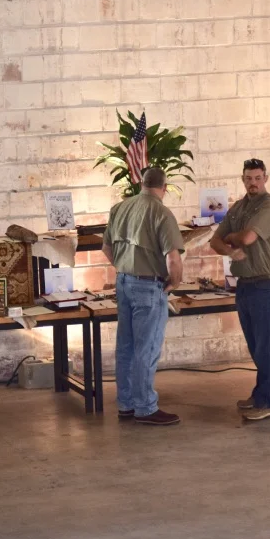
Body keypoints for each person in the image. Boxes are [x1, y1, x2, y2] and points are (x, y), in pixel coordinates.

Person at [101, 167, 185, 426]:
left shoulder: (120, 208)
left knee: (126, 346)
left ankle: (126, 404)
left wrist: (126, 269)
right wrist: (174, 283)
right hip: (148, 287)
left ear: (141, 183)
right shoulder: (161, 212)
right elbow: (173, 258)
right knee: (146, 348)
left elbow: (106, 248)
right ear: (164, 187)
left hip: (123, 282)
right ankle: (145, 408)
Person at [208, 158, 270, 421]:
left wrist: (232, 239)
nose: (253, 183)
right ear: (243, 179)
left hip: (267, 285)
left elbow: (247, 238)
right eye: (248, 178)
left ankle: (269, 402)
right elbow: (214, 241)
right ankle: (260, 394)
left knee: (266, 346)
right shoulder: (239, 208)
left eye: (257, 178)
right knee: (255, 345)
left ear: (266, 178)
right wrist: (230, 249)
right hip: (244, 284)